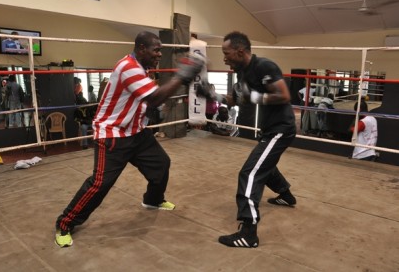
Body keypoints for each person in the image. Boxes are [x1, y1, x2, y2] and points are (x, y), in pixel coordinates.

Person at [54, 31, 205, 248]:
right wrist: (182, 76)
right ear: (141, 49)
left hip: (137, 132)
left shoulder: (143, 67)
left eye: (160, 50)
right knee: (100, 184)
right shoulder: (128, 67)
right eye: (156, 50)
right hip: (113, 134)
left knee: (161, 164)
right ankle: (64, 223)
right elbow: (153, 98)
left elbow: (149, 101)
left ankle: (152, 200)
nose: (159, 54)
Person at [207, 31, 297, 248]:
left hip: (281, 128)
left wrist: (256, 97)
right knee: (264, 164)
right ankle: (286, 195)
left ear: (240, 51)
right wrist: (211, 94)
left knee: (250, 173)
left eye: (227, 53)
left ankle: (248, 232)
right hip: (268, 129)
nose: (224, 58)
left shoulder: (265, 66)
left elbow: (284, 95)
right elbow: (234, 100)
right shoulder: (242, 73)